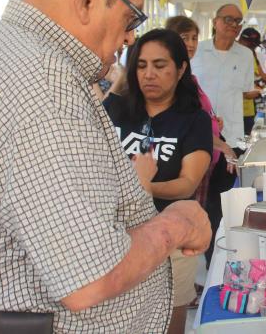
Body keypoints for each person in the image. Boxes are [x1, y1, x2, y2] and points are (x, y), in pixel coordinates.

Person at [0, 0, 210, 332]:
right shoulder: (44, 85)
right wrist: (176, 224)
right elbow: (89, 278)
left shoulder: (5, 50)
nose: (131, 36)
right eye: (131, 16)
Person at [104, 29, 213, 334]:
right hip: (114, 238)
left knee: (168, 323)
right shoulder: (115, 110)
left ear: (180, 69)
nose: (149, 74)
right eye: (141, 65)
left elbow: (188, 183)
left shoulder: (194, 119)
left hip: (172, 240)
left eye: (160, 65)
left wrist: (146, 187)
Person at [165, 15, 239, 270]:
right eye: (184, 37)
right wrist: (223, 146)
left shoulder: (188, 78)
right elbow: (184, 127)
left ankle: (198, 278)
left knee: (204, 221)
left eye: (194, 37)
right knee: (189, 224)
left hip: (205, 162)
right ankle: (184, 285)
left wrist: (211, 120)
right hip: (190, 164)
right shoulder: (172, 80)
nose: (191, 43)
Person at [190, 4, 259, 265]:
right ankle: (196, 257)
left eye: (238, 21)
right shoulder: (198, 51)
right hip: (199, 137)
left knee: (222, 201)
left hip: (231, 136)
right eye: (228, 19)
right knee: (198, 199)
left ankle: (216, 261)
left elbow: (244, 89)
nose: (233, 25)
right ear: (216, 21)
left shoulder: (244, 55)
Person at [238, 27, 266, 135]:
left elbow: (260, 74)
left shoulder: (251, 54)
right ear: (243, 40)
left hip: (248, 108)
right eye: (251, 45)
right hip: (236, 108)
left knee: (247, 138)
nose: (253, 48)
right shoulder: (234, 55)